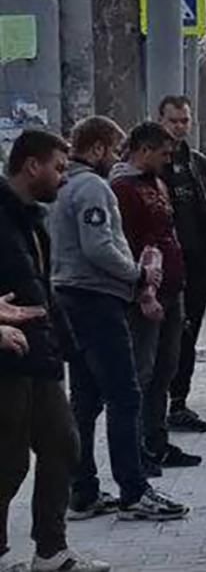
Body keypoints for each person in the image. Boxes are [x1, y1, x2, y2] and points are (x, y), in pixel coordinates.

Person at [50, 116, 189, 523]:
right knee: (125, 395)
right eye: (113, 150)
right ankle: (134, 490)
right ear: (96, 149)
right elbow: (100, 247)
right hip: (96, 298)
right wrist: (138, 274)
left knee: (86, 400)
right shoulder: (93, 186)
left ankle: (83, 490)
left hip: (68, 296)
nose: (117, 158)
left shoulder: (61, 186)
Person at [0, 129, 109, 572]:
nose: (64, 179)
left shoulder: (30, 218)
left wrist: (67, 343)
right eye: (59, 168)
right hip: (5, 358)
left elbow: (41, 288)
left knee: (63, 443)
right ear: (32, 166)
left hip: (39, 354)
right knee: (7, 465)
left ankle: (51, 551)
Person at [110, 123, 201, 471]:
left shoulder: (156, 183)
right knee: (142, 372)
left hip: (171, 289)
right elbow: (126, 244)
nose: (168, 160)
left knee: (166, 369)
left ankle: (157, 441)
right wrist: (143, 288)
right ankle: (137, 451)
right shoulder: (122, 188)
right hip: (143, 295)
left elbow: (167, 230)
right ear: (143, 150)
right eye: (163, 153)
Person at [158, 96, 206, 433]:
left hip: (198, 261)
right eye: (174, 121)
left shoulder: (199, 164)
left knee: (188, 333)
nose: (180, 127)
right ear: (160, 120)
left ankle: (179, 402)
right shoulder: (150, 164)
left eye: (185, 121)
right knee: (166, 336)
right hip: (165, 266)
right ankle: (158, 405)